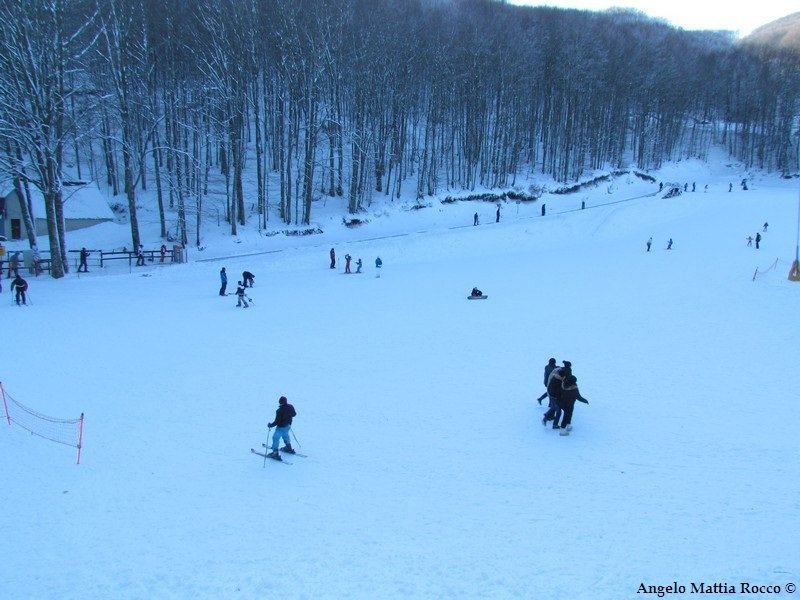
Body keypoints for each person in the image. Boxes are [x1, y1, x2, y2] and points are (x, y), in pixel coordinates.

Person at [542, 361, 571, 429]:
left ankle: (545, 418)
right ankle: (554, 424)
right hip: (555, 397)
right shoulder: (559, 382)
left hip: (551, 395)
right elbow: (558, 392)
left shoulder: (554, 378)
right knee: (559, 412)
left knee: (553, 408)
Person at [267, 396, 297, 460]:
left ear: (280, 402)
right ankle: (288, 447)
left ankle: (275, 453)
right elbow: (294, 414)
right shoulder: (290, 406)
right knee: (285, 435)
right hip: (288, 425)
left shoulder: (279, 411)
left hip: (280, 427)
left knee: (275, 438)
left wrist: (270, 425)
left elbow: (276, 422)